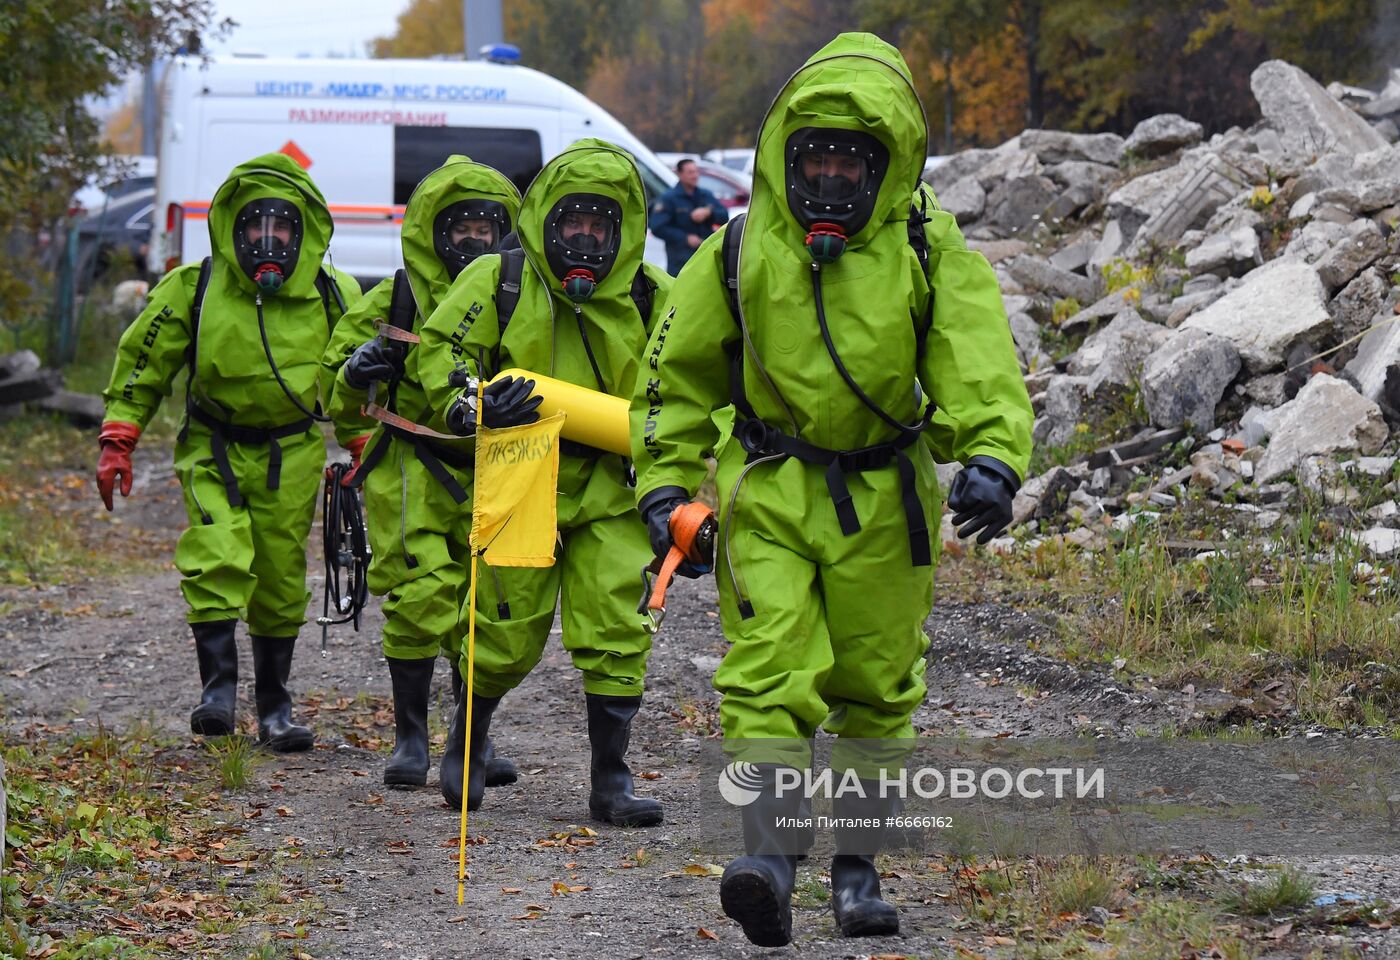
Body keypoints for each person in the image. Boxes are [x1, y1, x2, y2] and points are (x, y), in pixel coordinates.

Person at [628, 33, 1033, 946]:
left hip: (887, 500)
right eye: (816, 158)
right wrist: (664, 490)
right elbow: (676, 376)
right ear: (787, 156)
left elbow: (975, 357)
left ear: (886, 165)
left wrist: (995, 455)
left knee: (877, 688)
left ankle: (858, 871)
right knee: (767, 670)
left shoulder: (923, 243)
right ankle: (768, 858)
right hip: (770, 492)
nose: (832, 181)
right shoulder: (739, 249)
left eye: (853, 161)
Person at [415, 138, 672, 824]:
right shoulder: (500, 279)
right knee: (505, 623)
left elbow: (698, 367)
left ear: (622, 232)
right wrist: (470, 400)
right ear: (545, 225)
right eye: (571, 223)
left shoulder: (649, 295)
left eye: (599, 225)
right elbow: (445, 347)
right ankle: (466, 744)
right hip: (520, 471)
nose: (584, 240)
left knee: (619, 624)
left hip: (612, 483)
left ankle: (610, 781)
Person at [97, 153, 362, 750]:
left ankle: (274, 708)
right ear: (233, 229)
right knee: (217, 554)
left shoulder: (332, 294)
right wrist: (119, 439)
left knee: (278, 576)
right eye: (254, 227)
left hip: (290, 452)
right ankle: (218, 692)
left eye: (282, 228)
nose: (268, 240)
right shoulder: (196, 287)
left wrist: (361, 442)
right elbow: (144, 362)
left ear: (304, 232)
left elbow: (354, 377)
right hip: (213, 447)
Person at [321, 155, 522, 792]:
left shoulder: (516, 298)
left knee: (487, 603)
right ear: (434, 235)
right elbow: (328, 390)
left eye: (485, 228)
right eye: (458, 227)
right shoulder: (395, 299)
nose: (472, 239)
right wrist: (356, 370)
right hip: (410, 464)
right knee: (415, 597)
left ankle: (472, 739)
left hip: (498, 464)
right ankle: (411, 736)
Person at [648, 157, 729, 276]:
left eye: (696, 171)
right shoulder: (669, 199)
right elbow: (657, 227)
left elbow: (724, 216)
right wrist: (685, 238)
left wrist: (709, 213)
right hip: (680, 260)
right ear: (679, 174)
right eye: (690, 172)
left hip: (705, 256)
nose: (695, 175)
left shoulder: (705, 195)